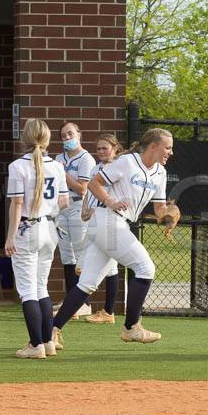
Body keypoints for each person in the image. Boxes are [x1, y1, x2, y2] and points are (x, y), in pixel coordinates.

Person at [50, 127, 175, 346]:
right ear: (153, 146)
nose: (170, 152)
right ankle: (131, 327)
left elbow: (159, 208)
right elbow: (95, 183)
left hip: (116, 225)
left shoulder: (160, 172)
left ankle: (50, 332)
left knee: (87, 283)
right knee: (146, 269)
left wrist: (169, 215)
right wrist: (110, 201)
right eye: (167, 147)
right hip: (107, 219)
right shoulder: (127, 162)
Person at [5, 119, 68, 359]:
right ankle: (48, 342)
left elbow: (17, 203)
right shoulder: (57, 166)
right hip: (49, 228)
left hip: (27, 228)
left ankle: (36, 345)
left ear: (25, 138)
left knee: (28, 290)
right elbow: (63, 202)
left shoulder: (17, 166)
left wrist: (10, 236)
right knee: (41, 286)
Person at [80, 133, 123, 325]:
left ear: (115, 148)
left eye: (105, 148)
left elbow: (115, 196)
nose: (101, 152)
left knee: (108, 266)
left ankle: (107, 310)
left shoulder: (118, 169)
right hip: (94, 220)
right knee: (87, 263)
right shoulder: (95, 168)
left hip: (110, 221)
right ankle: (99, 308)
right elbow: (90, 191)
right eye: (98, 148)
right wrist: (84, 210)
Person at [56, 122, 97, 317]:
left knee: (81, 253)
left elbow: (82, 188)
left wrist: (62, 173)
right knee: (66, 254)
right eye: (63, 136)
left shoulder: (86, 158)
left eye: (70, 134)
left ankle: (84, 302)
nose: (67, 138)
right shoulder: (58, 157)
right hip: (61, 207)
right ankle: (70, 300)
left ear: (79, 135)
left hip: (77, 206)